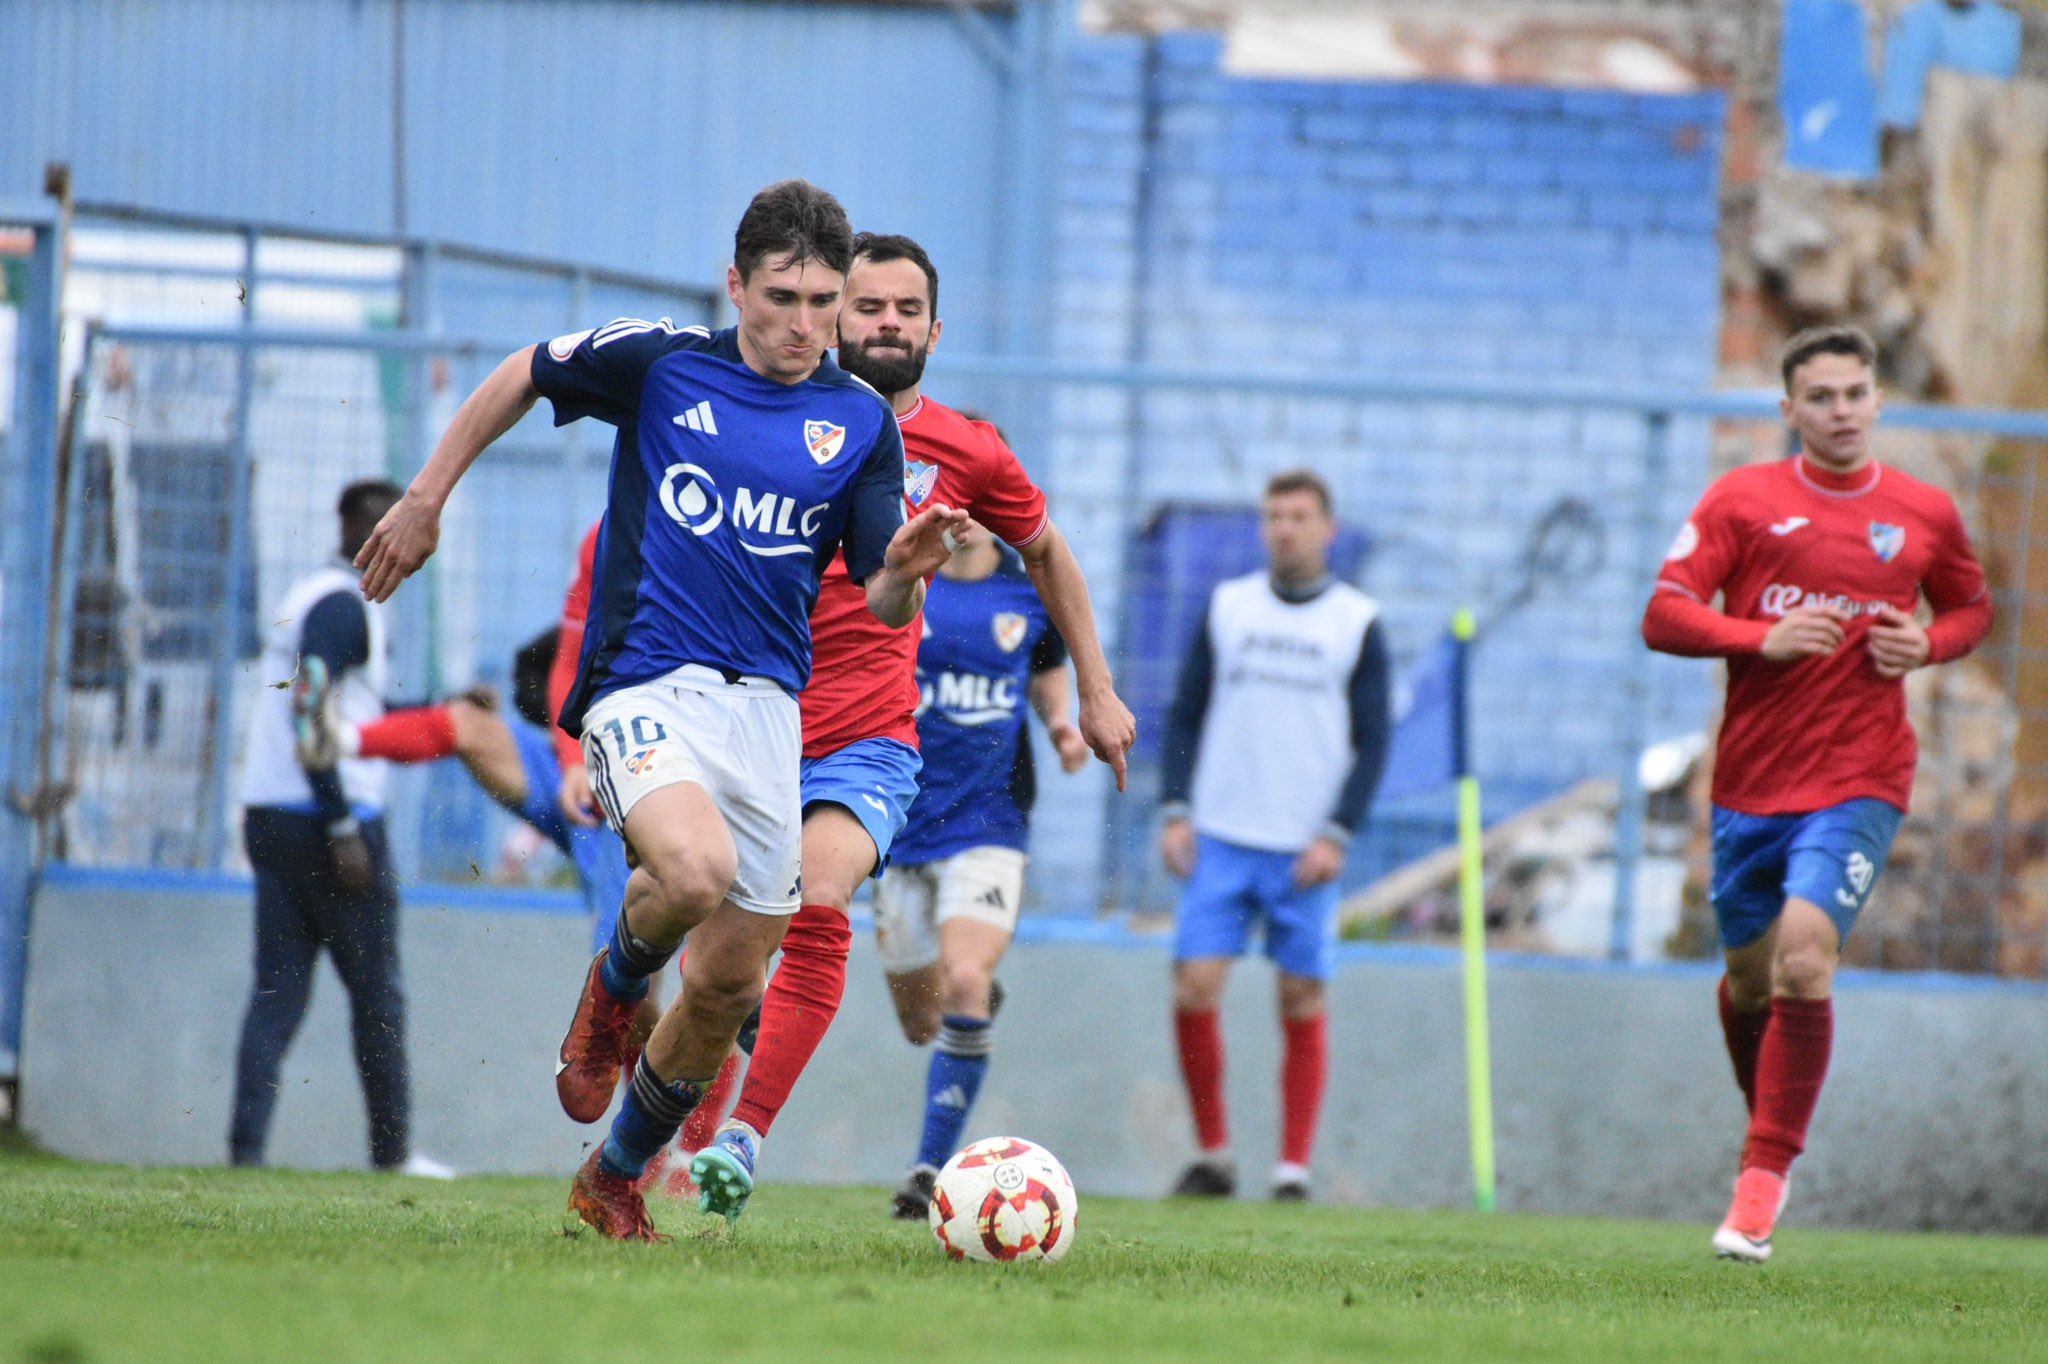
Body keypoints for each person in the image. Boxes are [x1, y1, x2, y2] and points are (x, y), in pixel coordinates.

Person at [355, 180, 967, 1242]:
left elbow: (877, 590)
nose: (804, 323)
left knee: (730, 978)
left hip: (769, 710)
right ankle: (615, 983)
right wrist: (426, 495)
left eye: (825, 300)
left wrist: (910, 572)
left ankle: (615, 1173)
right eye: (782, 296)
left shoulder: (860, 423)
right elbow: (519, 373)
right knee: (692, 871)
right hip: (645, 681)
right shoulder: (662, 363)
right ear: (735, 285)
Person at [668, 232, 1137, 1219]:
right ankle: (639, 1099)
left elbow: (1048, 555)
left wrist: (1091, 693)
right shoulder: (762, 410)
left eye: (905, 310)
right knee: (716, 959)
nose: (887, 324)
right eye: (868, 307)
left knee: (819, 902)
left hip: (869, 744)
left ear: (933, 327)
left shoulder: (967, 449)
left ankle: (746, 1141)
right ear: (832, 315)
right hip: (739, 720)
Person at [1642, 323, 1992, 1263]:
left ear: (1877, 401)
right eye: (1821, 397)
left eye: (1855, 394)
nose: (1841, 411)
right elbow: (1663, 613)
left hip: (1862, 778)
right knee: (1752, 983)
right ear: (1790, 409)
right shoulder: (1744, 500)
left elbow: (1970, 606)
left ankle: (1759, 1187)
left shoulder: (1922, 511)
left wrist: (1929, 643)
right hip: (1753, 784)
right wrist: (1760, 638)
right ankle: (1771, 1124)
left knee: (1805, 958)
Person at [1158, 469, 1390, 1203]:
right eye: (1273, 516)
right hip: (1222, 834)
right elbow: (1186, 712)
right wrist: (1174, 808)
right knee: (1195, 987)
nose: (1284, 528)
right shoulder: (1230, 607)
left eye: (1298, 516)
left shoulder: (1355, 621)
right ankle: (1214, 1155)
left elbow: (1374, 738)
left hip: (1304, 850)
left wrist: (1337, 832)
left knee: (1300, 997)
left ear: (1328, 528)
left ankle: (1291, 1169)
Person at [229, 478, 452, 1178]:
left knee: (277, 994)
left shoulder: (309, 597)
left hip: (269, 816)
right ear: (376, 532)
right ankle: (392, 1156)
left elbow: (348, 706)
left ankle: (245, 1155)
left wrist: (443, 710)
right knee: (378, 996)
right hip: (327, 824)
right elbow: (311, 700)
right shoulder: (345, 604)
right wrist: (341, 821)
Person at [875, 515, 1090, 1217]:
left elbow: (1048, 668)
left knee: (963, 980)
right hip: (902, 824)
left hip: (989, 821)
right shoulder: (905, 588)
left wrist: (1061, 724)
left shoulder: (1028, 594)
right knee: (920, 1022)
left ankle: (929, 1172)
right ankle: (971, 1004)